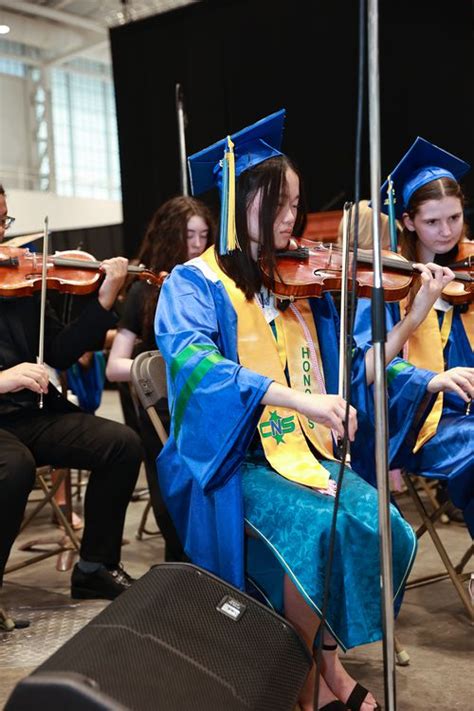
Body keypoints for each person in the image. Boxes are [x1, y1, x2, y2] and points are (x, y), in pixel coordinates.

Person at [154, 111, 465, 711]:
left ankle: (319, 665)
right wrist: (304, 402)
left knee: (375, 523)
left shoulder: (296, 283)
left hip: (303, 450)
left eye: (294, 206)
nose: (290, 220)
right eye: (276, 206)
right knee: (315, 530)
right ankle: (315, 684)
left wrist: (417, 310)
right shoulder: (192, 284)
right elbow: (200, 370)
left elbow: (360, 367)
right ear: (236, 202)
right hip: (227, 458)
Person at [0, 183, 144, 604]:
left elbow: (60, 353)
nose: (2, 233)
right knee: (15, 468)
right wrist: (5, 379)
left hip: (32, 412)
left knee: (121, 444)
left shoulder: (21, 278)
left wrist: (103, 301)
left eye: (3, 220)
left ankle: (94, 568)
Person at [353, 138, 474, 536]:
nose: (446, 231)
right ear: (407, 221)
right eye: (432, 222)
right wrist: (429, 380)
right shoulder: (385, 283)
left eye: (454, 219)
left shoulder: (466, 273)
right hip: (417, 421)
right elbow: (367, 368)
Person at [106, 195, 216, 561]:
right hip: (164, 413)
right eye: (189, 236)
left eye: (203, 236)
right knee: (173, 499)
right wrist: (163, 368)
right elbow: (115, 366)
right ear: (171, 236)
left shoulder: (214, 285)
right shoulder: (146, 289)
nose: (197, 245)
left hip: (207, 407)